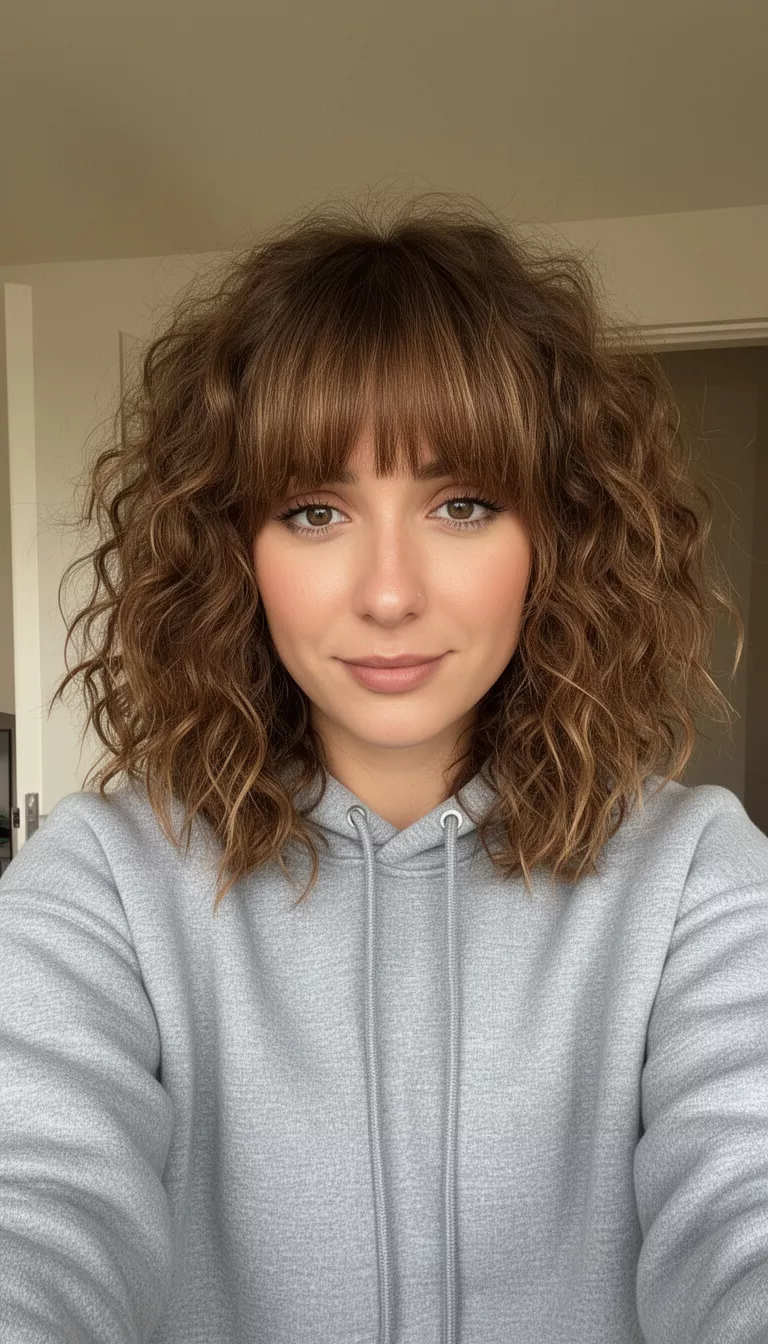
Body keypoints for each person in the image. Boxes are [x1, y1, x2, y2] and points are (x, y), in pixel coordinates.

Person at [1, 193, 766, 1344]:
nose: (392, 590)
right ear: (234, 548)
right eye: (315, 511)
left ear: (553, 537)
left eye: (463, 504)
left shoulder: (696, 877)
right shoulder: (103, 884)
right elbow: (33, 1212)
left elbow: (745, 1209)